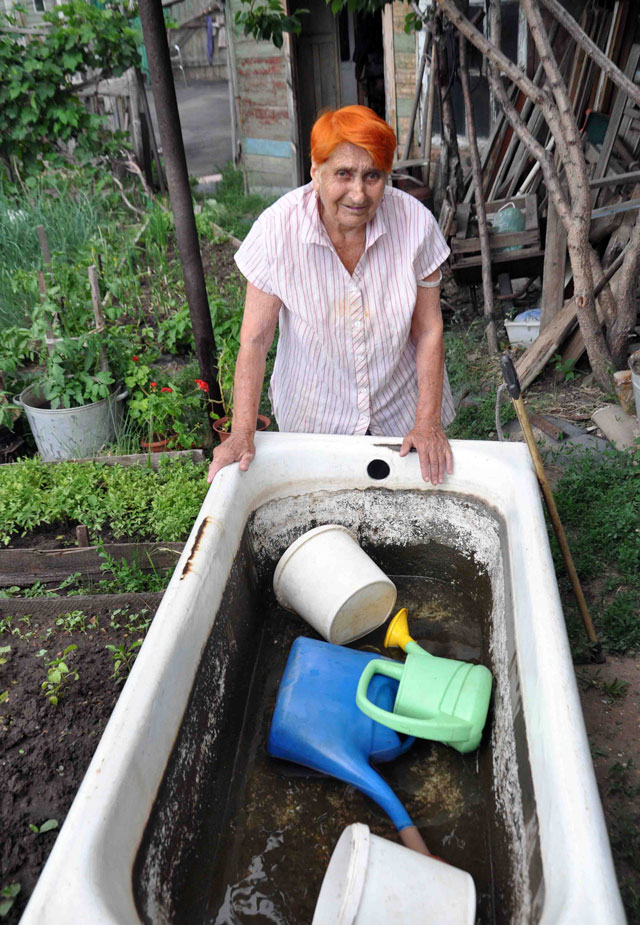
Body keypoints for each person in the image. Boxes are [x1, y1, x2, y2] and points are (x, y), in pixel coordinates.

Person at [207, 105, 455, 486]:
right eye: (343, 174)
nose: (358, 193)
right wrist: (242, 433)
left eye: (372, 176)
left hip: (401, 411)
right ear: (315, 172)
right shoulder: (277, 231)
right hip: (314, 416)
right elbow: (255, 340)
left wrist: (426, 424)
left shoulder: (415, 224)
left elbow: (428, 331)